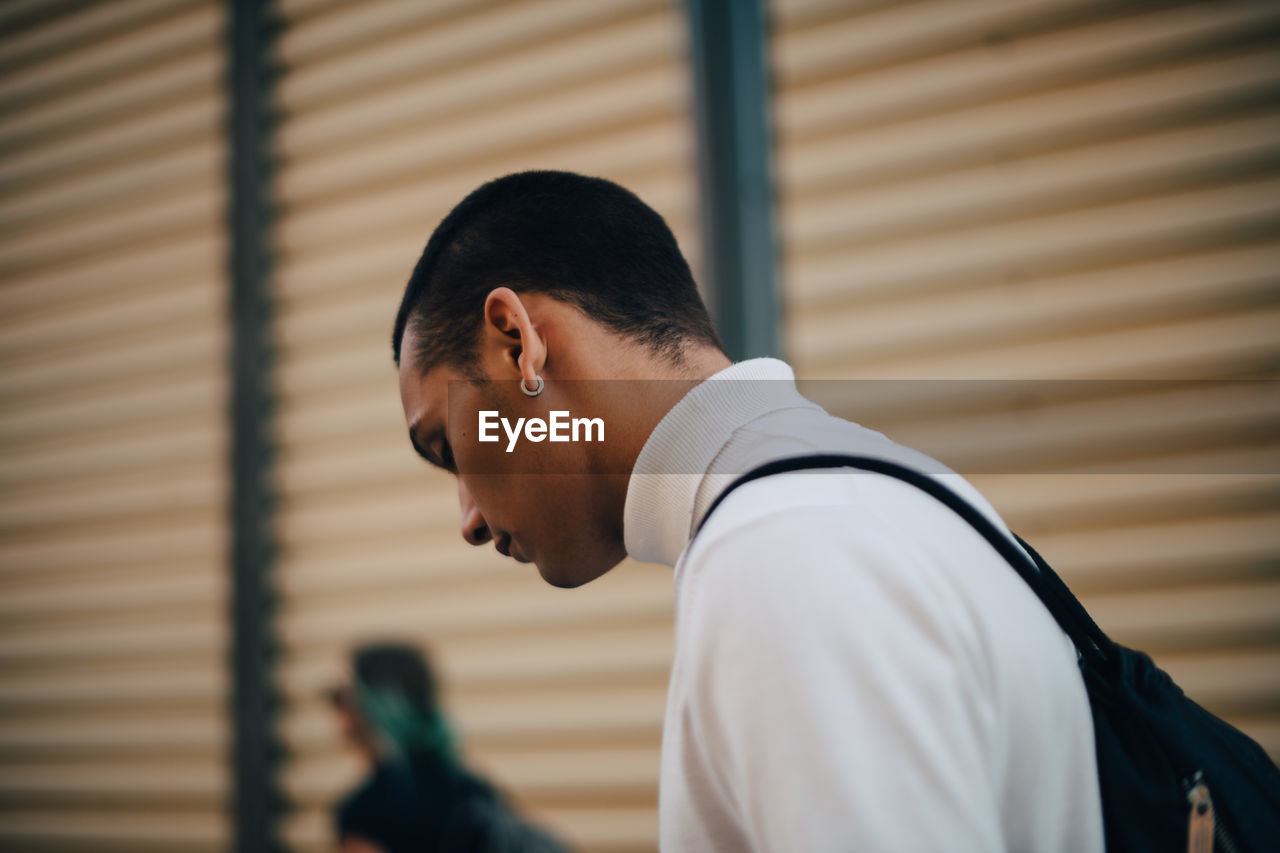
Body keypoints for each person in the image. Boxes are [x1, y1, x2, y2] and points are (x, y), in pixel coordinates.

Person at [391, 170, 1104, 851]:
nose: (469, 520)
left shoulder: (780, 545)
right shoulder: (871, 490)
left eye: (447, 445)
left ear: (518, 341)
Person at [329, 642, 568, 853]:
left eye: (337, 696)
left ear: (371, 702)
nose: (333, 709)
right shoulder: (474, 790)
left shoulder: (365, 810)